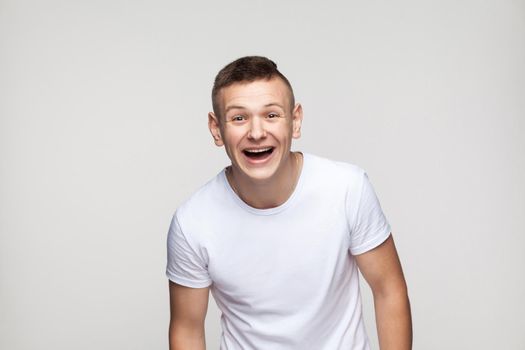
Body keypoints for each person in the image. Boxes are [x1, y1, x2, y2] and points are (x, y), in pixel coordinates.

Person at [166, 56, 412, 350]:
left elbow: (389, 290)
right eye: (239, 118)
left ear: (295, 121)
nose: (256, 133)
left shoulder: (347, 188)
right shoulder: (192, 222)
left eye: (271, 115)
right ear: (216, 128)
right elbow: (187, 329)